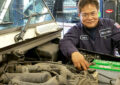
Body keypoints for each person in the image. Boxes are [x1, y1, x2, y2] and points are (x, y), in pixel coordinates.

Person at [59, 0, 120, 70]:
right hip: (87, 69)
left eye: (93, 13)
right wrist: (73, 52)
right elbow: (65, 41)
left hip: (109, 67)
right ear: (79, 15)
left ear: (98, 13)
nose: (90, 18)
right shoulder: (76, 30)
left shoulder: (110, 24)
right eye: (85, 15)